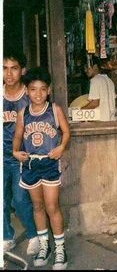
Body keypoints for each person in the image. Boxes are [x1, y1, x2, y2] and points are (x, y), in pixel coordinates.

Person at [12, 67, 70, 270]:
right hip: (29, 164)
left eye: (42, 89)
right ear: (27, 91)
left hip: (49, 163)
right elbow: (18, 136)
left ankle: (61, 249)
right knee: (37, 207)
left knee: (52, 206)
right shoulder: (23, 113)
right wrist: (15, 151)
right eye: (33, 89)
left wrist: (61, 147)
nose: (38, 94)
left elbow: (66, 132)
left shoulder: (55, 110)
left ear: (49, 90)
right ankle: (45, 246)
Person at [3, 49, 40, 255]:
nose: (9, 74)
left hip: (21, 158)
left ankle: (33, 234)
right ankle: (6, 237)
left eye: (14, 68)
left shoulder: (29, 97)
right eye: (4, 69)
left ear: (22, 70)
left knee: (19, 200)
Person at [82, 56, 116, 121]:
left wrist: (79, 111)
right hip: (111, 121)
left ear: (95, 66)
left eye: (87, 67)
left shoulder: (95, 80)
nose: (85, 70)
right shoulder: (109, 80)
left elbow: (95, 103)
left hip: (100, 121)